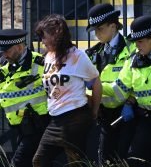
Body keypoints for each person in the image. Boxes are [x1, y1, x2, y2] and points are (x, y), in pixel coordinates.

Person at [102, 16, 151, 167]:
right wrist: (95, 87)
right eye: (134, 42)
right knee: (134, 162)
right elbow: (119, 89)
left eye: (140, 41)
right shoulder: (133, 61)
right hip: (149, 120)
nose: (136, 46)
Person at [0, 29, 50, 167]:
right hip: (20, 131)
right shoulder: (4, 71)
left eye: (7, 50)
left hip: (40, 129)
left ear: (19, 47)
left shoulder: (41, 64)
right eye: (2, 51)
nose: (3, 55)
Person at [32, 14, 102, 167]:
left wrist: (95, 111)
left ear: (56, 34)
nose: (42, 41)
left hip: (75, 116)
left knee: (75, 162)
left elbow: (95, 82)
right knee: (39, 161)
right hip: (56, 118)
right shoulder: (49, 56)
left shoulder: (77, 56)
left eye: (44, 36)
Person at [85, 3, 137, 164]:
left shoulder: (132, 49)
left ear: (113, 26)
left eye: (100, 29)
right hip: (105, 114)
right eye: (94, 30)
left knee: (124, 158)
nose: (96, 34)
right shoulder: (93, 52)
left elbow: (139, 80)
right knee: (105, 159)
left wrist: (131, 101)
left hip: (127, 112)